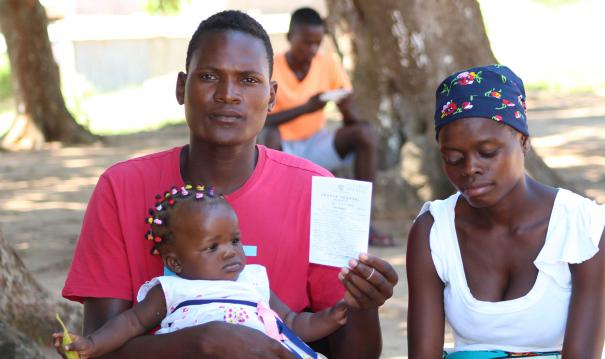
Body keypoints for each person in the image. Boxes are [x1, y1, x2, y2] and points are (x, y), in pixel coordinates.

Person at [59, 10, 397, 359]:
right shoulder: (121, 188)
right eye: (208, 76)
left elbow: (353, 353)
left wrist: (364, 305)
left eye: (248, 80)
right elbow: (97, 349)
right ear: (181, 87)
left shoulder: (322, 191)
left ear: (271, 96)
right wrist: (200, 343)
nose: (227, 94)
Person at [406, 65, 605, 358]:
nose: (470, 168)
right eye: (453, 158)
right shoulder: (434, 230)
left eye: (488, 152)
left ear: (524, 142)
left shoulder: (582, 226)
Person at [54, 185, 346, 359]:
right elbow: (130, 324)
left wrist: (331, 317)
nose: (231, 251)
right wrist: (91, 344)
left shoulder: (252, 279)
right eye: (212, 247)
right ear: (176, 263)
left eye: (234, 240)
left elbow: (293, 321)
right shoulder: (172, 290)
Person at [259, 7, 395, 247]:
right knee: (269, 133)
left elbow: (350, 121)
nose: (311, 50)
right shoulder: (271, 66)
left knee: (365, 133)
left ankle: (364, 223)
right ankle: (273, 220)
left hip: (316, 143)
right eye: (305, 43)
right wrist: (306, 108)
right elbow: (260, 119)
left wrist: (346, 110)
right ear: (290, 37)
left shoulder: (327, 64)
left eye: (317, 43)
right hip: (281, 149)